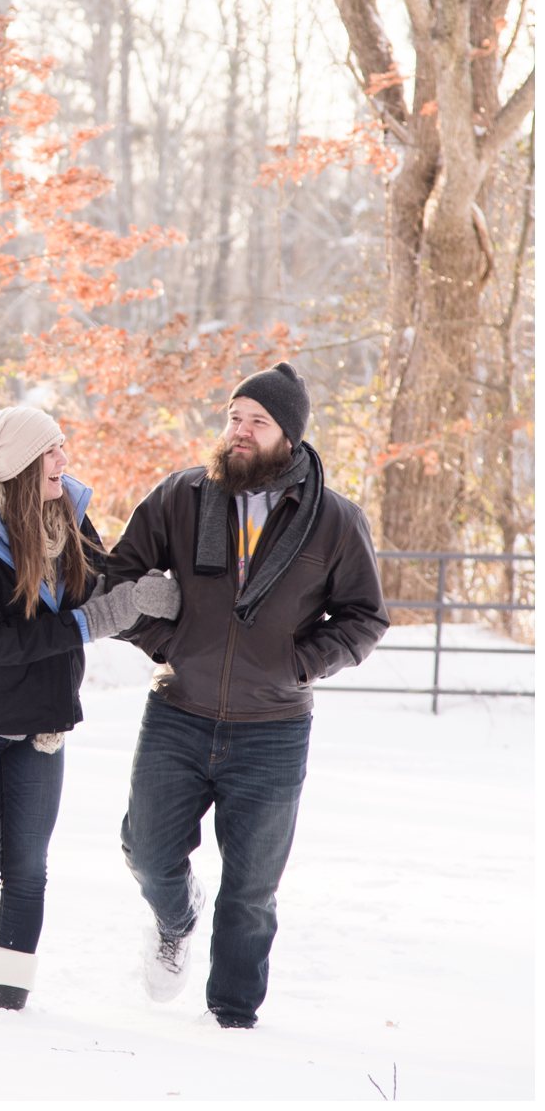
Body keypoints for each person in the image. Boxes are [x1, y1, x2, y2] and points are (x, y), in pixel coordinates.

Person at [107, 362, 389, 1029]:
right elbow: (120, 577)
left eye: (256, 421)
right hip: (177, 711)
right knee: (145, 849)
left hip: (273, 728)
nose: (239, 430)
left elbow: (364, 617)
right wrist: (164, 639)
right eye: (234, 416)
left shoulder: (334, 521)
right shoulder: (181, 495)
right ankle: (174, 920)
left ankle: (233, 1016)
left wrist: (300, 661)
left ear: (287, 436)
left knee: (252, 888)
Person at [0, 405, 181, 1011]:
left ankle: (6, 1007)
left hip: (41, 725)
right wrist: (88, 622)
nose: (64, 460)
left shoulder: (71, 522)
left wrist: (157, 609)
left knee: (28, 873)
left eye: (62, 447)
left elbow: (103, 592)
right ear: (17, 465)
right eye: (51, 451)